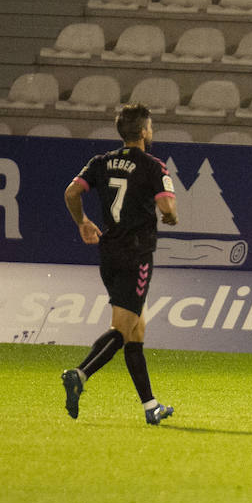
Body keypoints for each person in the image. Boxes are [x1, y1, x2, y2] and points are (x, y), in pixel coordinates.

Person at [61, 103, 178, 426]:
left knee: (136, 329)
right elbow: (167, 207)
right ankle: (80, 373)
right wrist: (171, 214)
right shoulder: (154, 166)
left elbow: (72, 193)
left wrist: (82, 222)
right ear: (142, 132)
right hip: (136, 254)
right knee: (124, 328)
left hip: (109, 253)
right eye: (150, 127)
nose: (151, 132)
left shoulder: (100, 163)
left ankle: (150, 406)